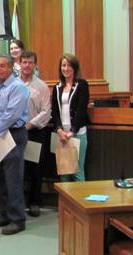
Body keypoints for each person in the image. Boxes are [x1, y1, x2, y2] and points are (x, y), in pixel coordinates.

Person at [0, 55, 29, 235]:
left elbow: (12, 114)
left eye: (2, 66)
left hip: (12, 135)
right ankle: (4, 213)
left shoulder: (17, 87)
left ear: (11, 67)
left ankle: (18, 219)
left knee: (13, 179)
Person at [19, 51, 51, 217]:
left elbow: (46, 112)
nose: (27, 65)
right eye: (24, 62)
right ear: (20, 64)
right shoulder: (14, 84)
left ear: (35, 65)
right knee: (19, 169)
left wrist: (30, 125)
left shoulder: (41, 86)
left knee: (34, 170)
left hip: (34, 132)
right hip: (16, 132)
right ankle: (19, 203)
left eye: (30, 62)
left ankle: (34, 202)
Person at [51, 54, 89, 182]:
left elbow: (81, 110)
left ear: (75, 68)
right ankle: (65, 202)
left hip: (77, 133)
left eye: (69, 65)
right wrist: (60, 130)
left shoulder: (82, 84)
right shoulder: (57, 87)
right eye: (63, 65)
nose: (66, 68)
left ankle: (80, 202)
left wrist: (72, 132)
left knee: (77, 171)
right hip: (61, 135)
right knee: (64, 172)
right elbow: (55, 112)